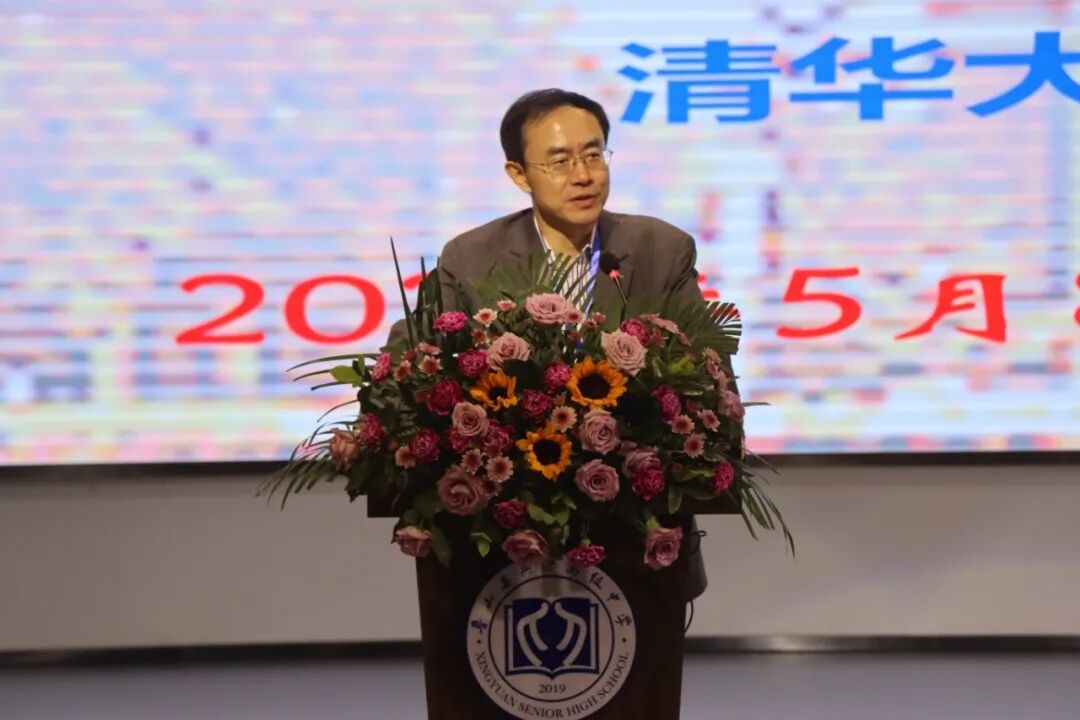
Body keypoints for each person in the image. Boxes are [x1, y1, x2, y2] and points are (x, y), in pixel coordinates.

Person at [389, 88, 735, 600]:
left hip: (633, 538)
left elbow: (709, 366)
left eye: (593, 155)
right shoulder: (472, 257)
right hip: (501, 541)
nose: (583, 175)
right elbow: (409, 362)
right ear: (519, 174)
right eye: (560, 161)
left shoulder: (659, 250)